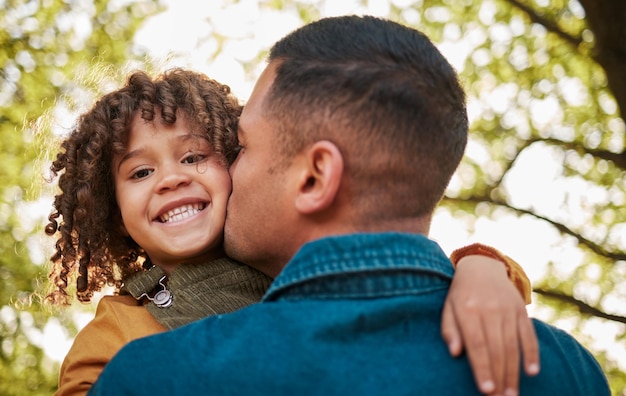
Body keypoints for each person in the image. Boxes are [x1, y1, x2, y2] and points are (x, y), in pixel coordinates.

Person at [87, 15, 610, 396]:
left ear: (315, 177)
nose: (225, 174)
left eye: (239, 148)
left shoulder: (152, 378)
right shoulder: (570, 371)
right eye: (141, 171)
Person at [48, 67, 533, 396]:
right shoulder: (119, 329)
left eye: (194, 156)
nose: (172, 178)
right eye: (139, 173)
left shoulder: (284, 256)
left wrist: (480, 267)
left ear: (237, 165)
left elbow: (401, 283)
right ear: (114, 214)